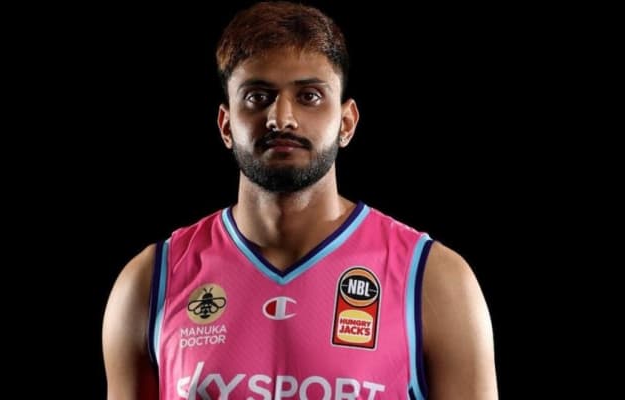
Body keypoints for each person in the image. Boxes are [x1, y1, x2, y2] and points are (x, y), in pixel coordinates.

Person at [102, 2, 497, 399]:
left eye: (309, 95)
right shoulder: (151, 282)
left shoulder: (432, 279)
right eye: (257, 96)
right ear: (226, 125)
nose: (282, 118)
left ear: (347, 123)